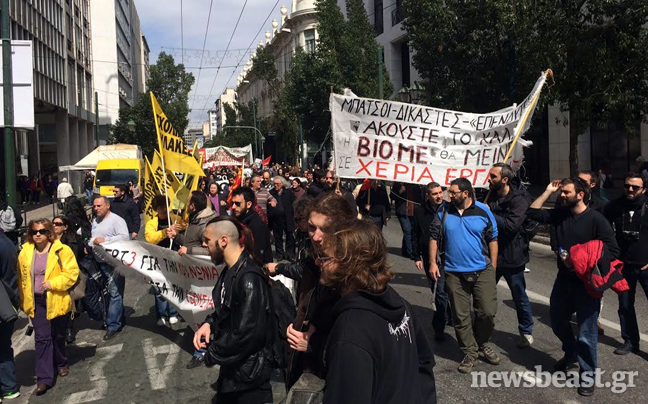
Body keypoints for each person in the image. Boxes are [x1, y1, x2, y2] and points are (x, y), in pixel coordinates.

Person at [320, 220, 437, 403]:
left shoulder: (350, 332)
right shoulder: (400, 303)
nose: (320, 263)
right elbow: (425, 367)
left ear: (349, 263)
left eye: (326, 258)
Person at [527, 178, 619, 397]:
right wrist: (547, 191)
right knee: (557, 321)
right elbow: (532, 213)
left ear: (581, 194)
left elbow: (612, 250)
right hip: (564, 280)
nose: (562, 195)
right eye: (561, 192)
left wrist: (582, 259)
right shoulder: (560, 215)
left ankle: (587, 376)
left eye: (566, 192)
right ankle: (571, 354)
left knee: (587, 333)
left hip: (586, 284)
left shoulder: (596, 220)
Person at [266, 192, 357, 389]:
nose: (316, 236)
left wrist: (315, 346)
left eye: (325, 229)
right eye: (312, 227)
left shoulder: (355, 280)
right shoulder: (311, 263)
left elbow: (357, 346)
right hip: (305, 369)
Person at [193, 217, 274, 403]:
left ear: (223, 241)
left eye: (207, 240)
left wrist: (211, 354)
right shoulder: (230, 271)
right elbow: (227, 310)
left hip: (249, 378)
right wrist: (209, 324)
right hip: (235, 372)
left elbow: (247, 333)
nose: (204, 244)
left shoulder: (249, 280)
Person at [429, 178, 499, 373]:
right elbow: (434, 237)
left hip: (482, 270)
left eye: (453, 192)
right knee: (460, 316)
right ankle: (470, 352)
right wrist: (433, 262)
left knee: (486, 311)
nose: (448, 195)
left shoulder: (483, 211)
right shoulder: (444, 211)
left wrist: (493, 267)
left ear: (466, 193)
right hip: (453, 272)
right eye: (448, 192)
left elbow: (493, 239)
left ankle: (482, 341)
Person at [17, 219, 79, 395]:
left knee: (58, 335)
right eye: (35, 231)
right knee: (42, 338)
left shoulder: (62, 250)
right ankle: (44, 378)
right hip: (36, 303)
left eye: (42, 231)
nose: (38, 234)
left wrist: (53, 283)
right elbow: (22, 279)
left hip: (56, 299)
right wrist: (24, 302)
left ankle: (61, 363)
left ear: (49, 233)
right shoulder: (25, 253)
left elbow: (72, 274)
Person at [487, 163, 534, 348]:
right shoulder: (489, 196)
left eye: (493, 177)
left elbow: (510, 227)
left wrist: (489, 213)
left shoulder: (520, 200)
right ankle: (483, 327)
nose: (489, 179)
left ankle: (526, 330)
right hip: (490, 254)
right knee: (484, 293)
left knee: (518, 294)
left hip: (512, 255)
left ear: (504, 180)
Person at [167, 191, 216, 369]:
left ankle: (202, 350)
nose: (186, 206)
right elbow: (191, 243)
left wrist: (190, 251)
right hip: (194, 274)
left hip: (204, 277)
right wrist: (177, 237)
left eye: (188, 203)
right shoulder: (195, 220)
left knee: (202, 310)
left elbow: (213, 250)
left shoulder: (207, 224)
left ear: (193, 206)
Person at [604, 172, 648, 355]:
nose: (630, 189)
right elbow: (602, 229)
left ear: (644, 189)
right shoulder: (614, 206)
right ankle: (630, 341)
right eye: (627, 186)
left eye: (635, 187)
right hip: (623, 265)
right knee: (625, 306)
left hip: (646, 266)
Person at [411, 182, 451, 341]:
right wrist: (416, 256)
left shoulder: (450, 208)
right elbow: (415, 234)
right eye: (435, 194)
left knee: (448, 291)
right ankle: (439, 327)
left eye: (440, 192)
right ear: (428, 195)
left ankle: (448, 314)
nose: (439, 196)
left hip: (449, 256)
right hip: (431, 259)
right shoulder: (420, 211)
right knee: (439, 293)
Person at [90, 197, 130, 340]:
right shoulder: (95, 221)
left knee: (115, 292)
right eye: (94, 206)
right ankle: (119, 318)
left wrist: (105, 240)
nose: (96, 208)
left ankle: (113, 324)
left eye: (99, 206)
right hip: (99, 261)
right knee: (109, 292)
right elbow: (93, 238)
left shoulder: (117, 220)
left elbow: (125, 237)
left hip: (113, 263)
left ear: (107, 206)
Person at [145, 195, 182, 326]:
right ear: (156, 209)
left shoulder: (175, 218)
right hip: (158, 259)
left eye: (166, 206)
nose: (164, 209)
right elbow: (150, 238)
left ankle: (173, 313)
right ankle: (161, 314)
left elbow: (185, 228)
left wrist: (177, 230)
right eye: (161, 207)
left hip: (174, 258)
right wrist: (163, 233)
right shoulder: (151, 223)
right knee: (159, 288)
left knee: (173, 286)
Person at [52, 215, 86, 344]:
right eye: (53, 223)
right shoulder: (48, 241)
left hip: (69, 275)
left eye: (58, 224)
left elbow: (78, 257)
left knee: (69, 303)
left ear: (65, 227)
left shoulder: (72, 240)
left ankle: (69, 329)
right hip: (54, 276)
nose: (55, 225)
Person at [230, 187, 273, 264]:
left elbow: (258, 256)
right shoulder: (236, 220)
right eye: (232, 203)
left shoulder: (258, 225)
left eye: (237, 204)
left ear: (248, 204)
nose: (233, 207)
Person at [0, 230, 19, 399]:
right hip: (9, 304)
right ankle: (9, 387)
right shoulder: (7, 242)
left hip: (2, 303)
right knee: (4, 347)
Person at [268, 176, 296, 261]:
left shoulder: (288, 192)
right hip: (276, 218)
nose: (276, 186)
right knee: (278, 237)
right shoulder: (271, 193)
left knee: (290, 236)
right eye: (275, 184)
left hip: (287, 217)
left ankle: (290, 254)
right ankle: (279, 254)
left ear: (282, 184)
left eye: (278, 184)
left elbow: (292, 204)